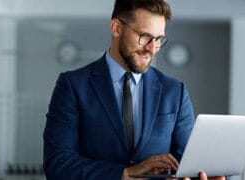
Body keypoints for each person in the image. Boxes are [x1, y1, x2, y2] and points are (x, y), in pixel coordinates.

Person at [43, 0, 224, 179]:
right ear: (116, 28)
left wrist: (201, 176)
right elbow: (58, 163)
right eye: (144, 36)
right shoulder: (73, 86)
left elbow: (188, 163)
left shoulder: (174, 91)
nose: (152, 48)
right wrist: (124, 174)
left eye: (159, 39)